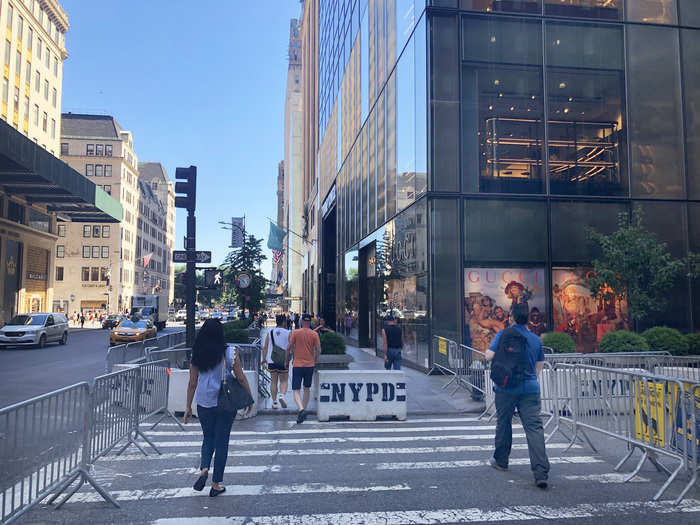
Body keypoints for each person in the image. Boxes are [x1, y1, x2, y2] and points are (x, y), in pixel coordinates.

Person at [184, 319, 253, 497]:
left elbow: (192, 383)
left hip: (204, 402)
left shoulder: (196, 354)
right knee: (222, 441)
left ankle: (204, 469)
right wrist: (249, 398)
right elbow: (241, 378)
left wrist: (187, 407)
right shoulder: (230, 352)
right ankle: (216, 484)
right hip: (225, 403)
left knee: (208, 437)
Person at [485, 303, 550, 489]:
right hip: (529, 388)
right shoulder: (535, 339)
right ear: (528, 318)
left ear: (511, 317)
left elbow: (488, 356)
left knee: (503, 422)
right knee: (534, 428)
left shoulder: (502, 334)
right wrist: (530, 380)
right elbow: (539, 364)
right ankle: (540, 472)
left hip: (505, 387)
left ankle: (501, 461)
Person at [286, 313, 320, 424]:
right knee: (307, 388)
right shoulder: (314, 334)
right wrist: (315, 360)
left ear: (301, 322)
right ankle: (303, 410)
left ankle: (301, 410)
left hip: (297, 365)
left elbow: (288, 348)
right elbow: (318, 350)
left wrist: (286, 361)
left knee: (296, 389)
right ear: (310, 322)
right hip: (309, 365)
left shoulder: (295, 333)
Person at [262, 314, 290, 409]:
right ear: (283, 322)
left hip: (271, 360)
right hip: (283, 360)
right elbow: (291, 347)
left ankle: (274, 402)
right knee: (284, 380)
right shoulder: (288, 332)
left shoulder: (270, 333)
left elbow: (265, 347)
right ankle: (281, 395)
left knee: (273, 381)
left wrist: (264, 359)